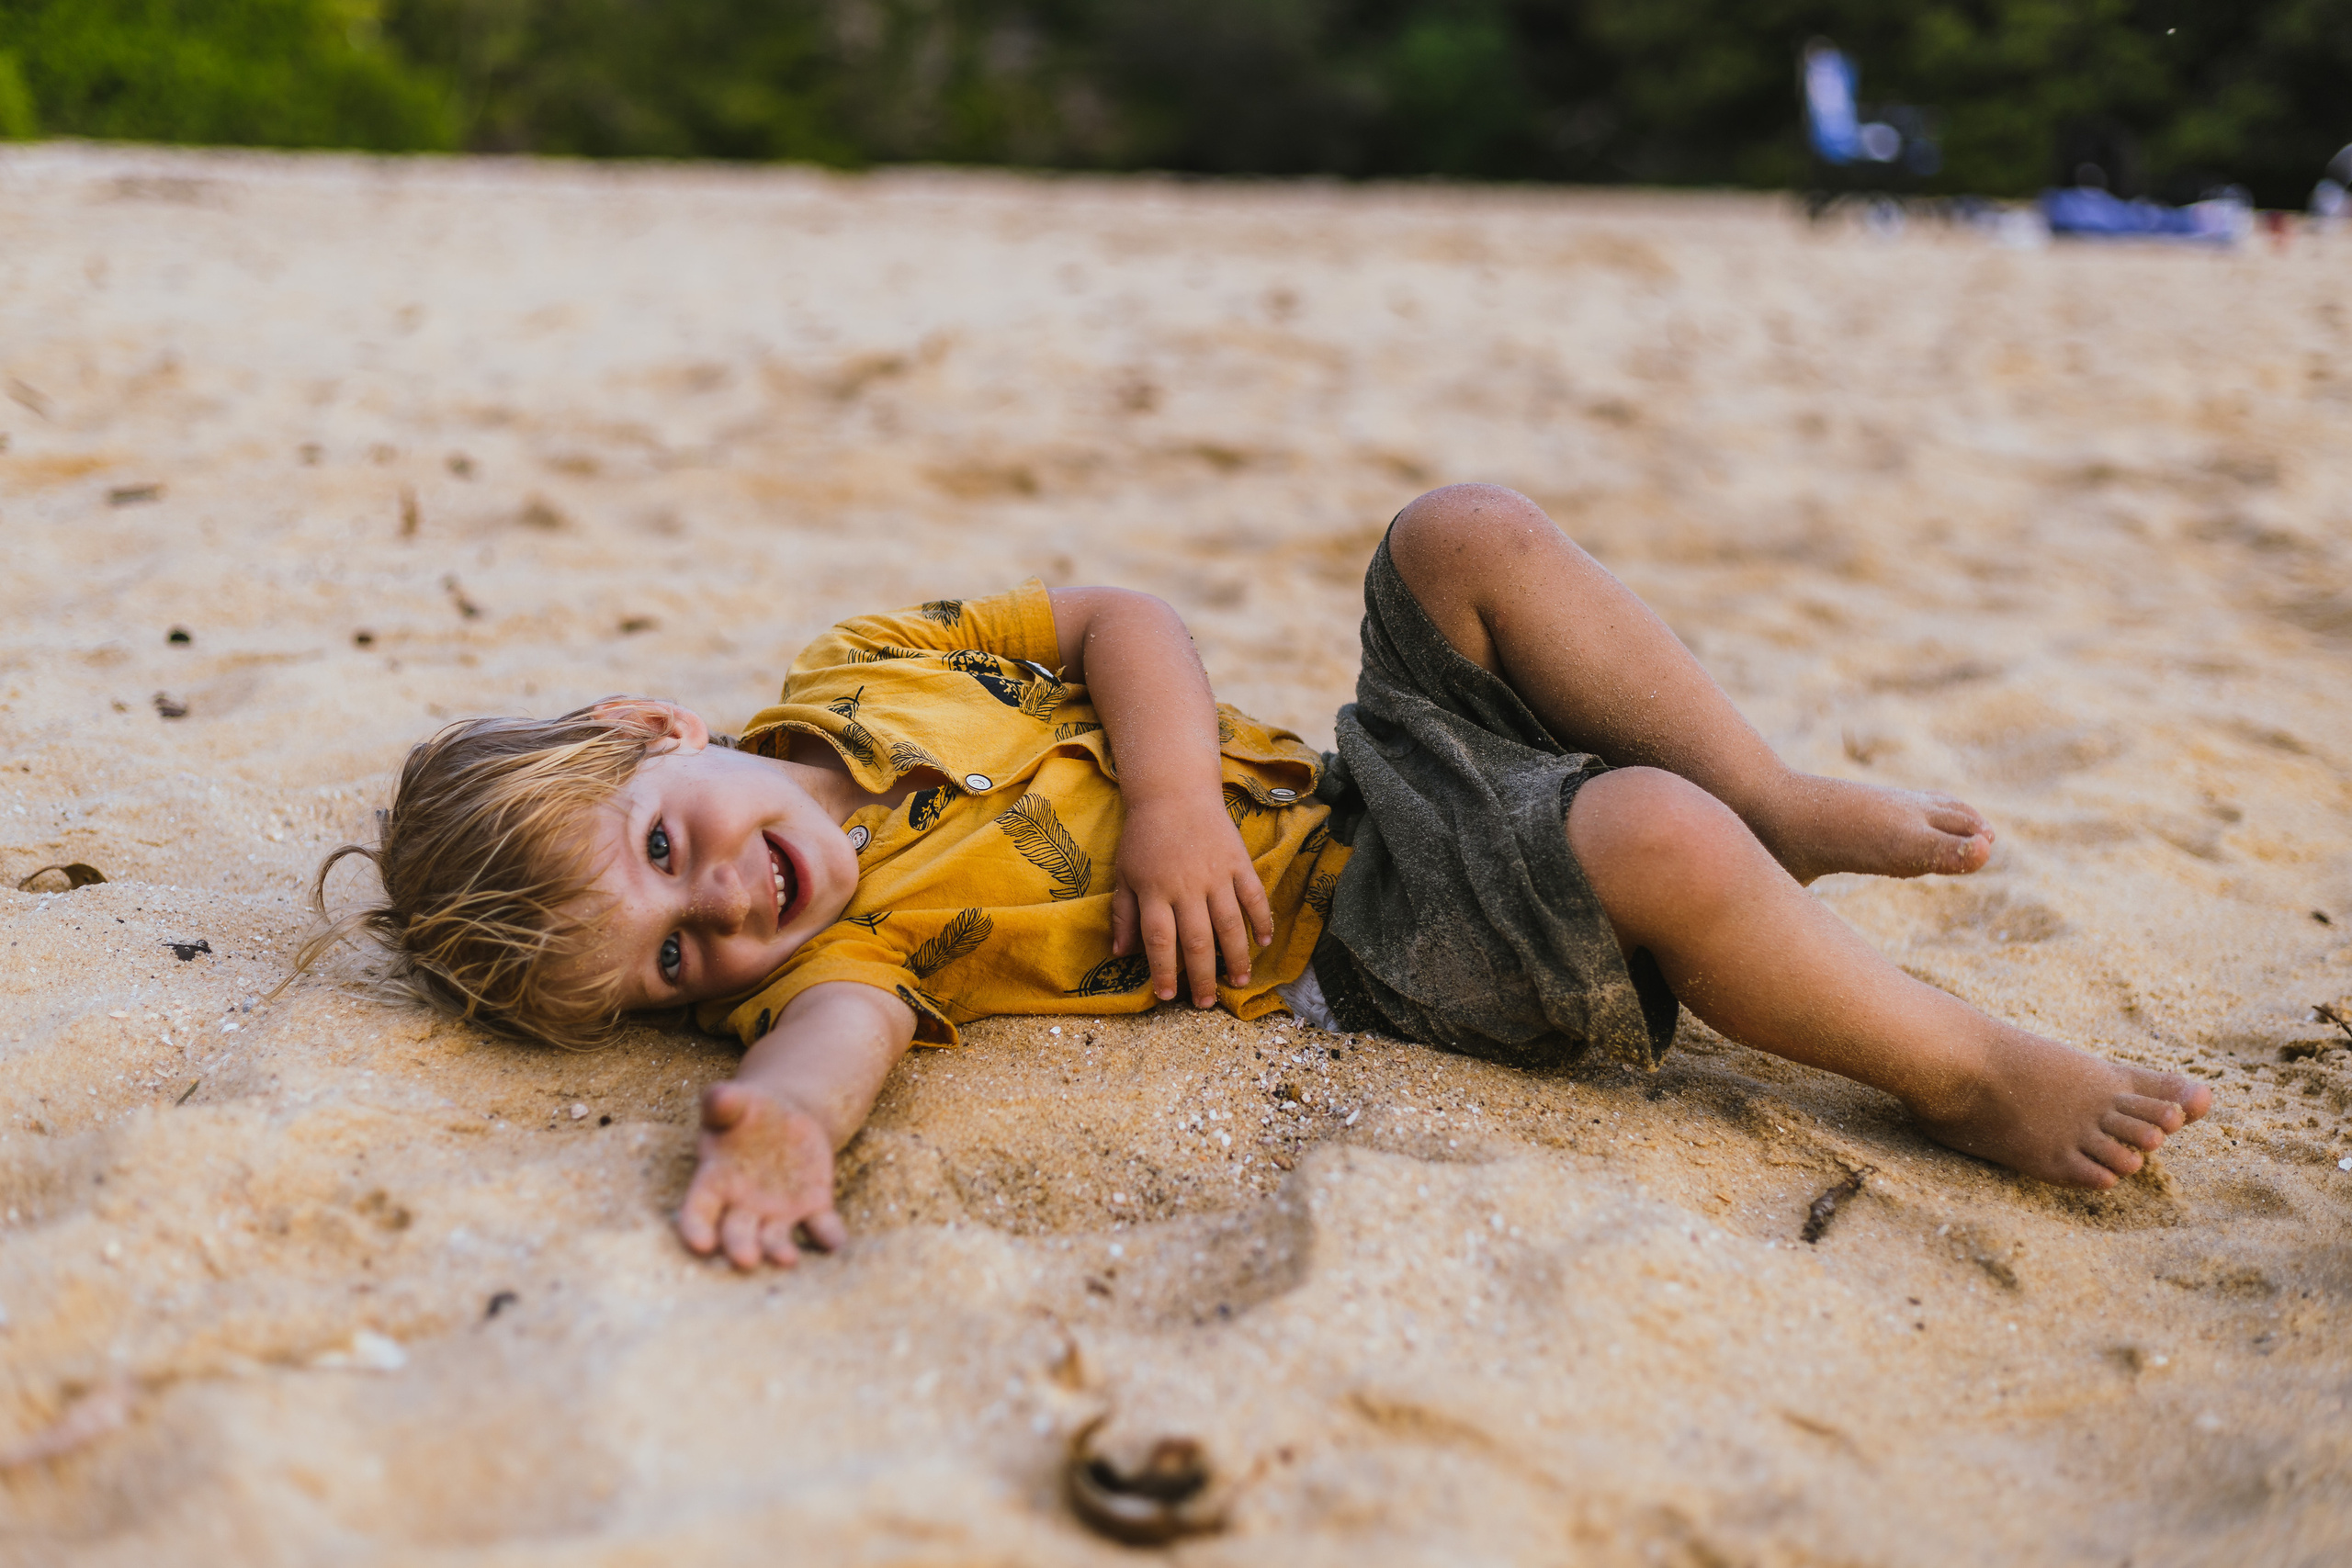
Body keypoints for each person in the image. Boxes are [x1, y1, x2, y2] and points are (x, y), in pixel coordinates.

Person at [308, 485, 2213, 1269]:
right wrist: (777, 1124)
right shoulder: (852, 950)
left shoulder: (863, 659)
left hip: (1339, 784)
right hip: (1373, 941)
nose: (715, 907)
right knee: (1647, 838)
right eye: (668, 967)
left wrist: (1165, 804)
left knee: (1457, 532)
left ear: (657, 726)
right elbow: (840, 1048)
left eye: (662, 848)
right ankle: (1963, 1064)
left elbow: (1116, 607)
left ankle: (1772, 786)